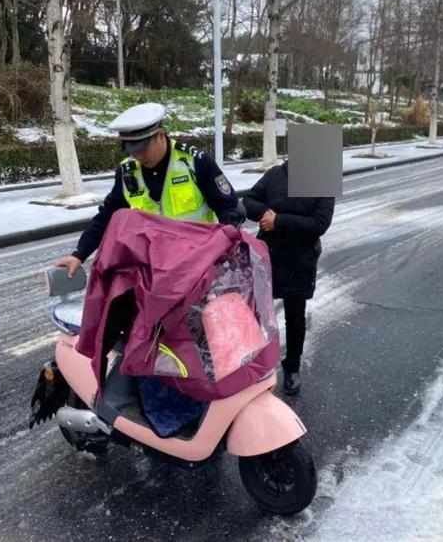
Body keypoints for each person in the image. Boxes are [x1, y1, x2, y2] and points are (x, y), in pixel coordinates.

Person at [55, 102, 244, 275]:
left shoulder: (195, 162)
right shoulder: (128, 173)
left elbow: (228, 208)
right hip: (152, 270)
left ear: (160, 136)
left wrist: (225, 248)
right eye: (132, 151)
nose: (138, 156)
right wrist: (79, 254)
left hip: (198, 265)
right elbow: (107, 217)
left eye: (143, 149)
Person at [242, 160, 335, 395]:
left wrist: (278, 221)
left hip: (300, 259)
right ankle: (255, 367)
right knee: (257, 314)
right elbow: (249, 200)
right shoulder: (275, 174)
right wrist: (264, 214)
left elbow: (320, 223)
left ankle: (292, 367)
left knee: (295, 318)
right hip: (268, 254)